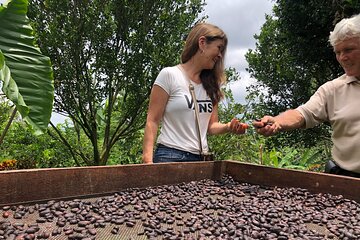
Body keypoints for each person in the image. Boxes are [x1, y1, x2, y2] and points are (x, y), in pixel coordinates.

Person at [253, 14, 360, 178]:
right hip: (346, 181)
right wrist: (278, 122)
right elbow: (303, 113)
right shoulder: (332, 90)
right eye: (338, 52)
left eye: (348, 50)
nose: (342, 58)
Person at [142, 23, 248, 164]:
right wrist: (147, 163)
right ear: (202, 43)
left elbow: (210, 126)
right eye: (219, 48)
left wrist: (229, 127)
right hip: (170, 156)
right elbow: (152, 120)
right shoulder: (169, 75)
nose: (220, 55)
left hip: (200, 160)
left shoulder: (211, 85)